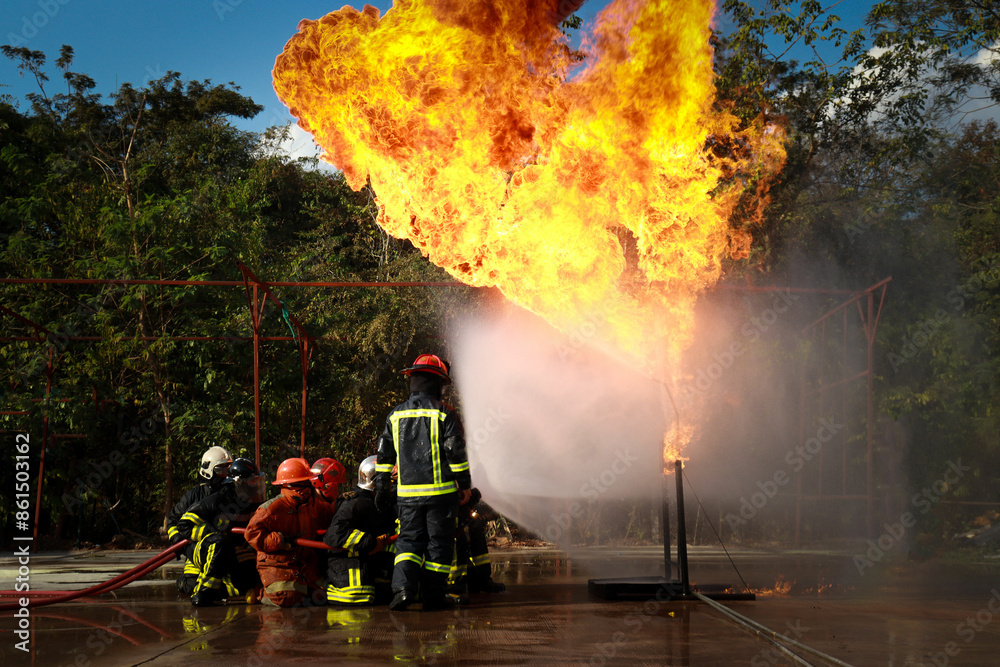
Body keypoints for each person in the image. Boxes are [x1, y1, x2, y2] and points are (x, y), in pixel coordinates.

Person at [374, 353, 472, 611]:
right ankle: (433, 597)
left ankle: (403, 591)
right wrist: (464, 485)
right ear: (438, 382)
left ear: (413, 380)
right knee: (439, 544)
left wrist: (382, 486)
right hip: (441, 497)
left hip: (407, 497)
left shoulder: (395, 415)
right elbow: (456, 453)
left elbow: (384, 455)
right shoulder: (445, 413)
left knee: (408, 542)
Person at [244, 457, 336, 608]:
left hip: (305, 563)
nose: (309, 487)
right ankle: (260, 593)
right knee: (287, 598)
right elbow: (251, 534)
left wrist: (343, 502)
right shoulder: (272, 508)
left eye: (308, 483)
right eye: (304, 483)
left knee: (326, 593)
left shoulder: (310, 504)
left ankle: (302, 591)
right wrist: (280, 540)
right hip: (277, 562)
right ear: (291, 485)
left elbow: (329, 514)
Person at [174, 458, 265, 607]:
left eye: (257, 481)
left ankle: (223, 589)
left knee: (252, 574)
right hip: (205, 550)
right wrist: (211, 533)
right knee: (219, 543)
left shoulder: (249, 503)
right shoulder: (216, 501)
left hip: (231, 550)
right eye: (252, 482)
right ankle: (203, 593)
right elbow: (184, 525)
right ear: (239, 482)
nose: (255, 486)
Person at [324, 455, 397, 605]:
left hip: (371, 571)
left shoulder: (375, 502)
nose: (391, 486)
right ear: (375, 482)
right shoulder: (356, 503)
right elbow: (335, 535)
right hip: (350, 584)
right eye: (388, 482)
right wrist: (371, 542)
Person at [166, 446, 232, 595]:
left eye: (228, 469)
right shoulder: (193, 496)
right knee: (190, 586)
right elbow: (172, 522)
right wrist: (181, 543)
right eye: (221, 470)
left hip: (226, 549)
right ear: (208, 470)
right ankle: (185, 581)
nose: (226, 474)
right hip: (198, 550)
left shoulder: (231, 492)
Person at [448, 488, 506, 595]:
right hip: (447, 509)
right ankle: (454, 584)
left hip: (456, 504)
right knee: (458, 542)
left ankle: (482, 580)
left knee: (475, 527)